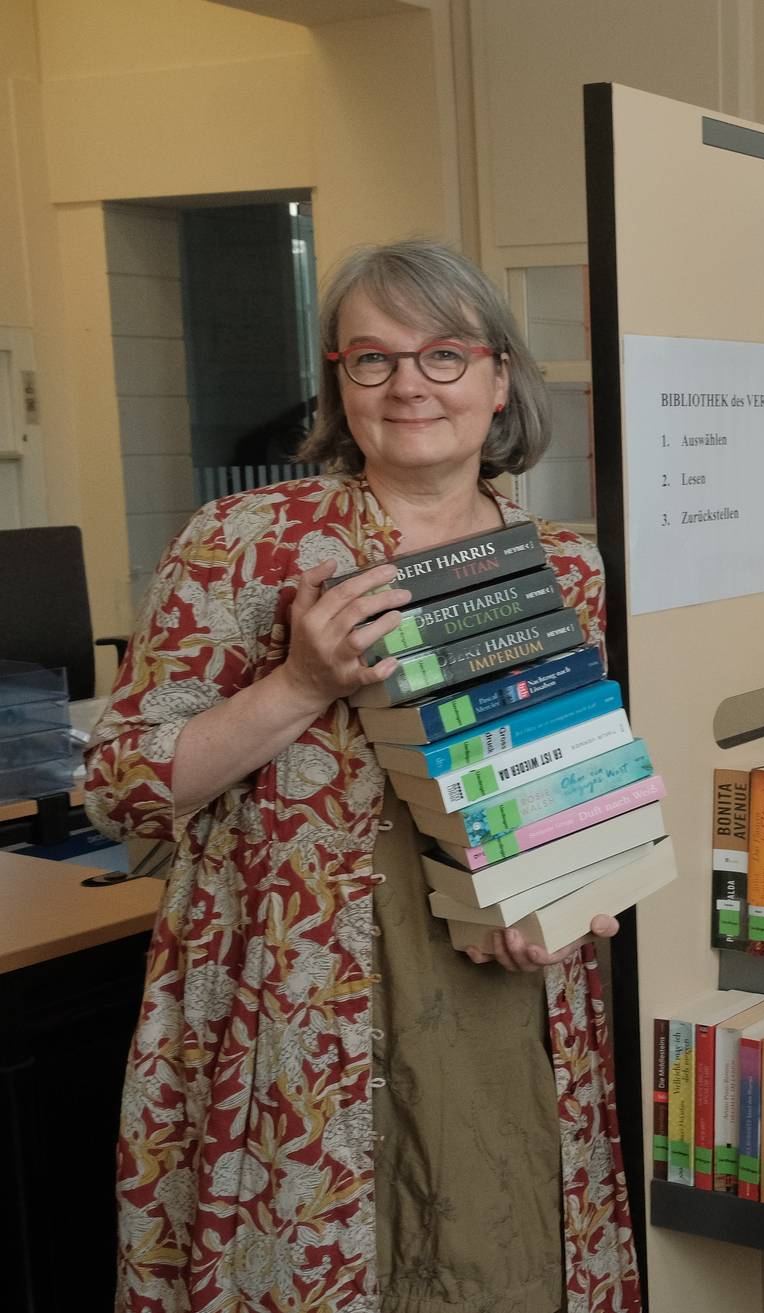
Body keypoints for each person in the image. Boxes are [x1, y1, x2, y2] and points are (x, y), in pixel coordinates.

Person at [88, 238, 640, 1313]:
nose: (410, 385)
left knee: (504, 1259)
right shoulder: (244, 544)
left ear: (498, 378)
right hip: (295, 996)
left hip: (496, 994)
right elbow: (121, 784)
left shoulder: (566, 564)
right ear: (341, 383)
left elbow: (569, 788)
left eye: (444, 355)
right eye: (374, 358)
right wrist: (299, 683)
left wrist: (562, 898)